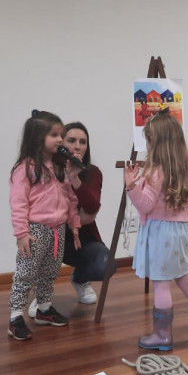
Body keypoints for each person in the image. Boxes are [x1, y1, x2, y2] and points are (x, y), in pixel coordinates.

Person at [124, 111, 188, 350]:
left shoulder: (156, 171)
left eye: (148, 138)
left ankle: (162, 335)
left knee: (161, 283)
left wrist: (131, 186)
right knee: (186, 278)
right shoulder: (184, 169)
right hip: (179, 231)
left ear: (156, 141)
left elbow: (145, 204)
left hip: (160, 234)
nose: (146, 144)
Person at [7, 110, 80, 341]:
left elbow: (70, 198)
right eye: (54, 135)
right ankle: (16, 316)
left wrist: (74, 224)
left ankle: (44, 309)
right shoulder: (25, 169)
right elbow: (18, 204)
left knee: (49, 272)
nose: (60, 139)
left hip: (58, 229)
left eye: (61, 134)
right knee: (26, 273)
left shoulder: (60, 167)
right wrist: (22, 234)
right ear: (38, 138)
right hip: (35, 231)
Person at [28, 121, 111, 318]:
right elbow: (40, 209)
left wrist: (75, 178)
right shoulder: (47, 170)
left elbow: (91, 208)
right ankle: (41, 296)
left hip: (81, 239)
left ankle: (80, 280)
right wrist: (77, 216)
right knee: (40, 247)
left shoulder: (93, 172)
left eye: (83, 142)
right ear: (61, 144)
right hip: (50, 234)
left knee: (105, 264)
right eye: (71, 140)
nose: (77, 146)